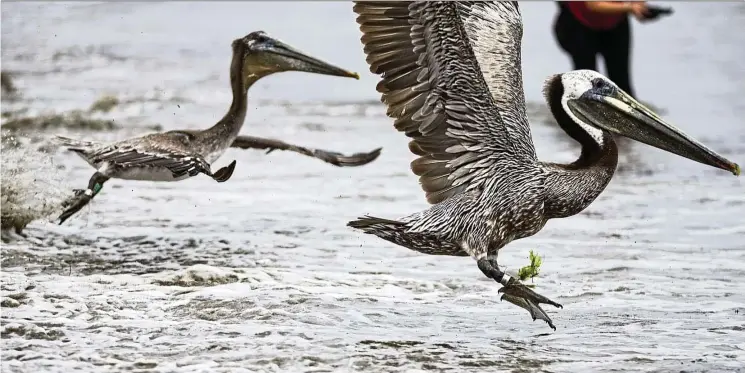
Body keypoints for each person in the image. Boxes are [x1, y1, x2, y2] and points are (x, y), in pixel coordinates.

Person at [553, 1, 650, 98]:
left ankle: (628, 110)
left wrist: (640, 9)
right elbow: (594, 4)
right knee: (588, 81)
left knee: (621, 82)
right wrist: (630, 7)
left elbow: (637, 5)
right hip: (578, 22)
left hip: (616, 23)